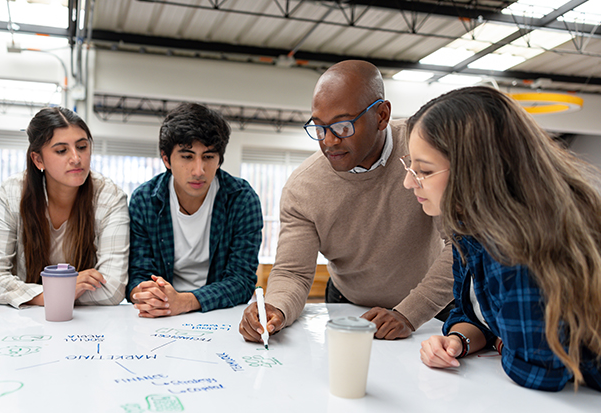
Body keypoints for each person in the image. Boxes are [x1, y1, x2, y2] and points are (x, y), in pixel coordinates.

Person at [240, 60, 453, 343]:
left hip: (429, 309)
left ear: (381, 115)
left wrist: (409, 314)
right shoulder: (304, 187)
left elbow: (459, 247)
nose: (328, 141)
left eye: (342, 126)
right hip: (348, 306)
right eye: (318, 127)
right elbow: (293, 272)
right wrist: (275, 308)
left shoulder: (424, 151)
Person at [410, 86, 601, 392]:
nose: (410, 182)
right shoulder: (470, 232)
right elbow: (471, 311)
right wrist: (459, 340)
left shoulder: (519, 245)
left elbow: (538, 371)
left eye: (424, 171)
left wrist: (497, 340)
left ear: (473, 171)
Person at [126, 103, 263, 317]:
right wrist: (146, 294)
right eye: (187, 156)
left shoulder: (241, 199)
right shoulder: (145, 200)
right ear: (166, 159)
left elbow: (242, 281)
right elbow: (138, 273)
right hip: (160, 314)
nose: (199, 170)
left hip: (218, 313)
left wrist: (184, 301)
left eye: (208, 157)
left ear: (219, 160)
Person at [0, 107, 129, 308]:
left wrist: (33, 295)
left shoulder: (109, 197)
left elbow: (112, 289)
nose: (76, 158)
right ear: (38, 159)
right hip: (24, 322)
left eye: (82, 147)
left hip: (87, 324)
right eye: (61, 151)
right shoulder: (11, 193)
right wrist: (59, 292)